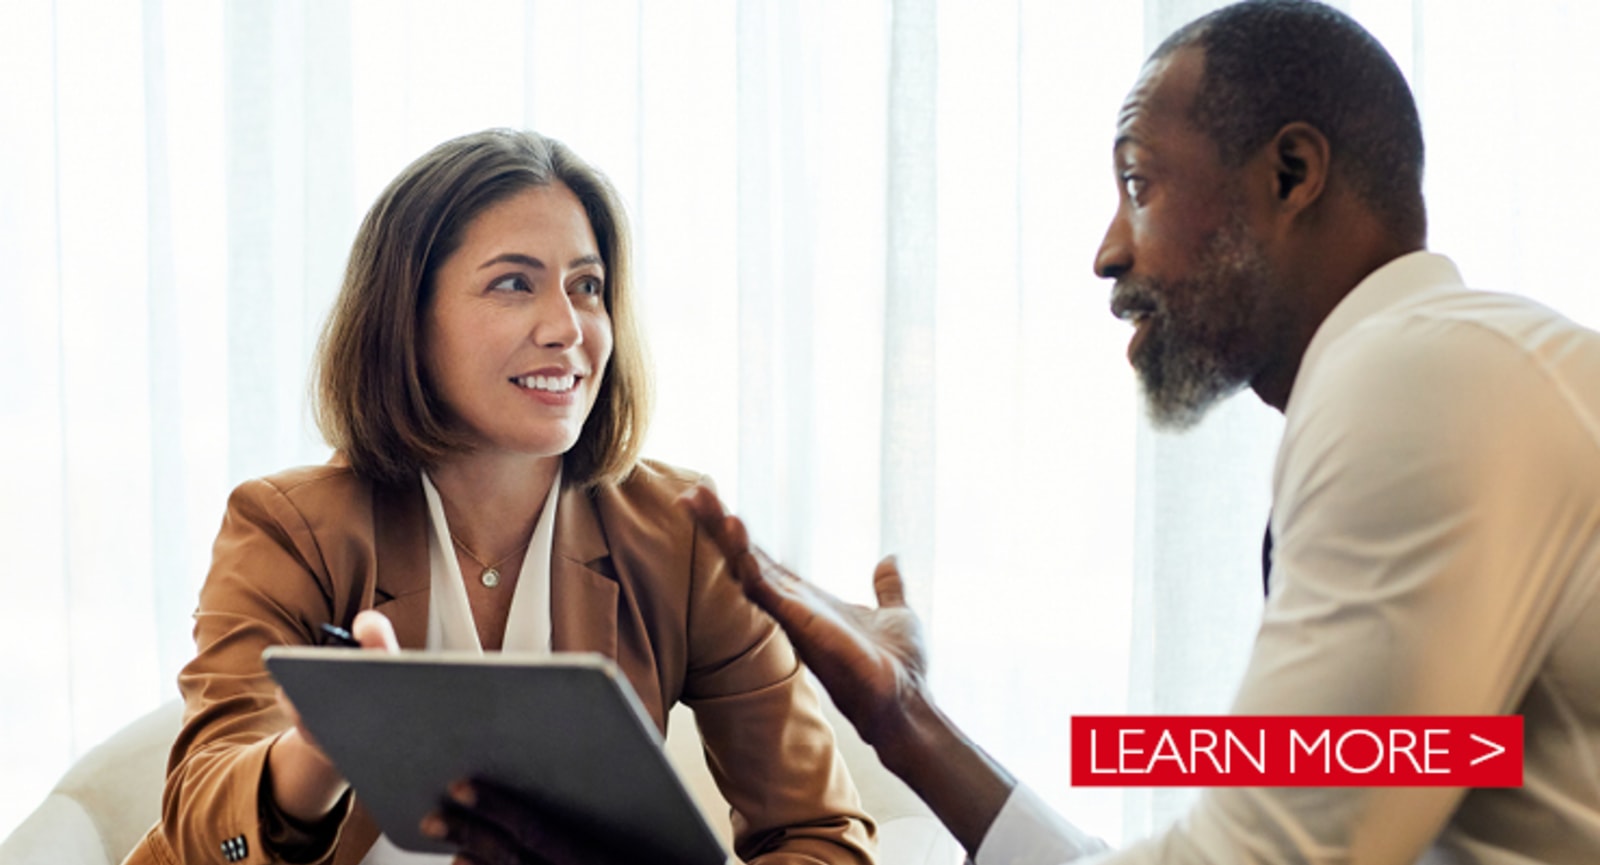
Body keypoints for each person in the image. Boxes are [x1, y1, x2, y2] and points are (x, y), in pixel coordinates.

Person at [679, 2, 1600, 864]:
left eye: (1138, 184)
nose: (1109, 251)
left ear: (1291, 174)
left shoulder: (1416, 380)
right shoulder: (1455, 368)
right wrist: (903, 720)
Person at [124, 129, 876, 865]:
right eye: (514, 283)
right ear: (407, 317)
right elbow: (203, 836)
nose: (567, 327)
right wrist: (319, 751)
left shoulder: (681, 535)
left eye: (587, 287)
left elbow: (821, 835)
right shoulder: (288, 527)